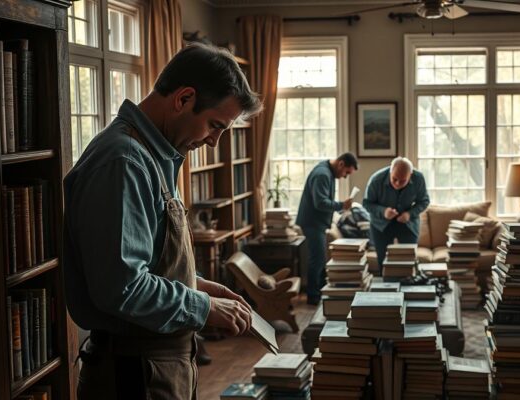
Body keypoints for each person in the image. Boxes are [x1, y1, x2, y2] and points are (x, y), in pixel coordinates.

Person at [63, 43, 262, 400]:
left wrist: (195, 284)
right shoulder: (124, 162)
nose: (215, 142)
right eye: (215, 125)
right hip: (133, 374)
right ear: (184, 98)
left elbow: (146, 260)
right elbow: (122, 287)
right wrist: (202, 306)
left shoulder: (154, 156)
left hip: (152, 369)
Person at [296, 153, 358, 305]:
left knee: (319, 259)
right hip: (312, 223)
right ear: (341, 164)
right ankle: (313, 297)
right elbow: (320, 202)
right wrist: (341, 205)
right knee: (317, 260)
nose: (345, 177)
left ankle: (319, 293)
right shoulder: (323, 174)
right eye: (346, 173)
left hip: (316, 223)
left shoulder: (326, 171)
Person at [363, 157, 430, 268]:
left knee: (409, 261)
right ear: (390, 171)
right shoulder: (376, 180)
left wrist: (410, 214)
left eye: (403, 180)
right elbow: (367, 203)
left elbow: (424, 201)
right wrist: (383, 211)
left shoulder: (419, 178)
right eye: (394, 179)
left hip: (408, 223)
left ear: (411, 175)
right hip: (380, 224)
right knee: (383, 262)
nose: (398, 183)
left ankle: (408, 284)